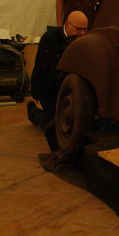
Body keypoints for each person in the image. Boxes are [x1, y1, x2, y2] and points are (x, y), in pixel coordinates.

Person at [27, 10, 89, 150]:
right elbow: (47, 70)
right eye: (79, 29)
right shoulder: (50, 38)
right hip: (46, 86)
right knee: (53, 122)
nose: (83, 33)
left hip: (65, 85)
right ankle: (32, 112)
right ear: (68, 25)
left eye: (85, 29)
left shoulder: (81, 40)